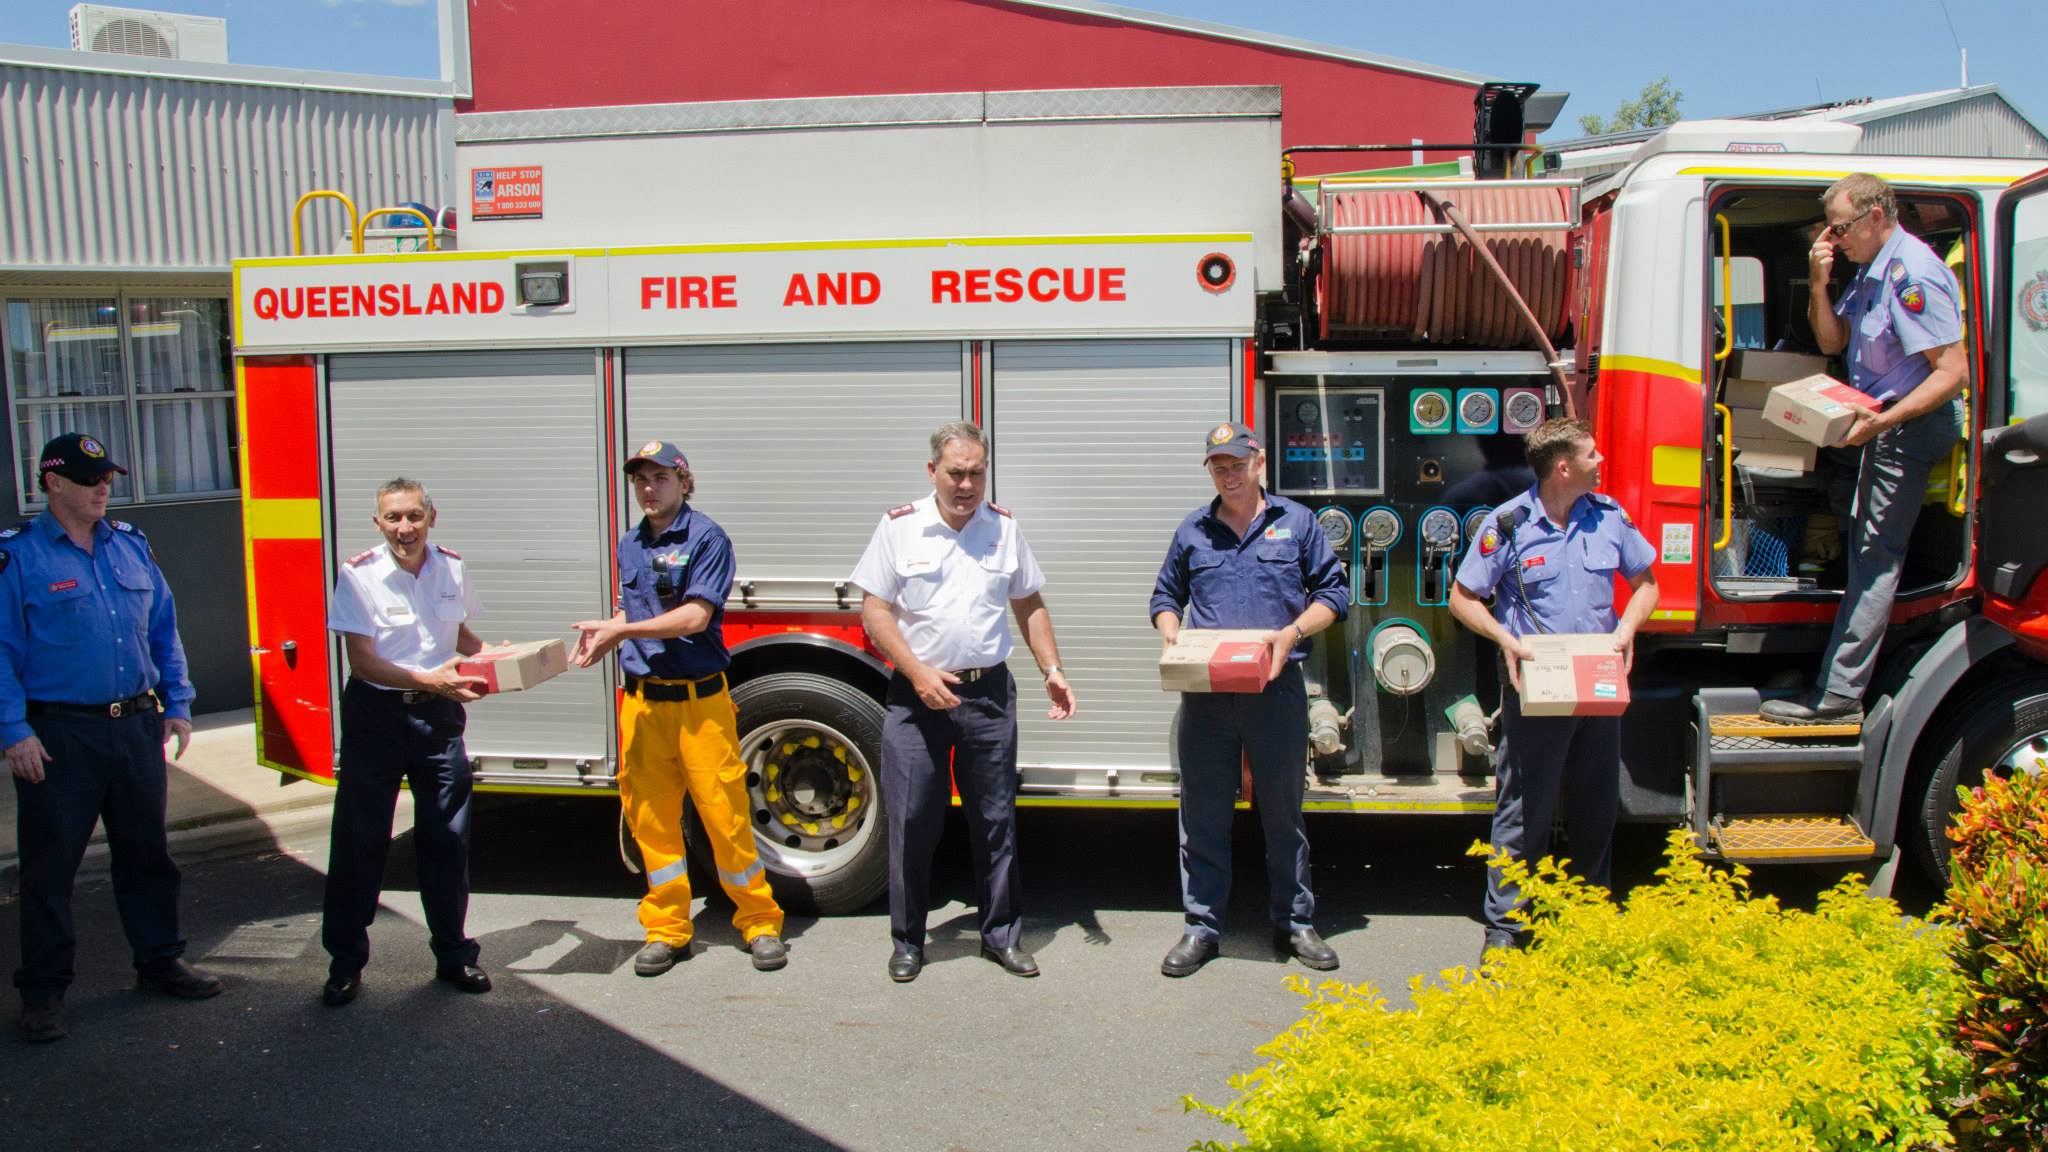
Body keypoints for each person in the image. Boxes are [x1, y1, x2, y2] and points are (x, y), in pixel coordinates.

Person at [849, 421, 1075, 983]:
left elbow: (1029, 602)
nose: (967, 484)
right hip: (917, 695)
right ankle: (908, 941)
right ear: (934, 472)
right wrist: (917, 672)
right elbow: (874, 610)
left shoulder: (1003, 528)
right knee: (912, 819)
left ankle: (1000, 937)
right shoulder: (900, 527)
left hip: (988, 695)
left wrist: (1052, 668)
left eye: (976, 472)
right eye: (956, 472)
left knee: (995, 820)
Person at [1, 433, 209, 1042]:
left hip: (136, 727)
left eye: (108, 479)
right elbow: (3, 653)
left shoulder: (131, 545)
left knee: (147, 855)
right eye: (90, 478)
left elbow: (164, 628)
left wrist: (178, 702)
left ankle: (159, 961)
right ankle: (42, 992)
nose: (102, 489)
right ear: (52, 482)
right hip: (60, 734)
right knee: (50, 868)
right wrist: (14, 732)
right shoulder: (19, 557)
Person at [572, 441, 787, 977]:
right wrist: (610, 633)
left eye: (659, 477)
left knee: (727, 819)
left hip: (701, 705)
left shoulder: (707, 537)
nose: (648, 488)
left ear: (684, 481)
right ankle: (667, 929)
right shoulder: (630, 544)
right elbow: (636, 609)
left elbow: (694, 617)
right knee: (652, 823)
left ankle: (759, 922)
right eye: (640, 479)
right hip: (642, 705)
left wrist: (621, 628)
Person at [1448, 418, 1658, 957]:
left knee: (1595, 805)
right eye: (1592, 454)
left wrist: (1626, 630)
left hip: (1596, 680)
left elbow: (1646, 586)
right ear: (1563, 466)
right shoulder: (1509, 523)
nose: (1600, 461)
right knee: (1523, 809)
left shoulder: (1609, 518)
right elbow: (1464, 597)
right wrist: (1503, 638)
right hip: (1535, 684)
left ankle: (1586, 920)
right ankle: (1506, 928)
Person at [1761, 173, 1966, 725]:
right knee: (1855, 548)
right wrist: (1819, 281)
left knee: (1876, 562)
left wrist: (1882, 424)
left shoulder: (1913, 273)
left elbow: (1952, 374)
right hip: (1872, 428)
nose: (1836, 236)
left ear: (1878, 214)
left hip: (1902, 431)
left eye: (1842, 226)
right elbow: (1832, 342)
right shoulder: (1869, 270)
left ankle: (1838, 695)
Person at [1149, 422, 1349, 978]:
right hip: (1207, 695)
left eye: (1237, 462)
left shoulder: (1297, 523)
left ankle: (1295, 922)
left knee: (1284, 813)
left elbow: (1334, 592)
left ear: (1258, 462)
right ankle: (1201, 927)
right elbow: (1166, 594)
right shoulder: (1193, 530)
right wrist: (1171, 630)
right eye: (1218, 465)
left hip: (1276, 690)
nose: (1228, 473)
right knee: (1204, 814)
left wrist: (1293, 633)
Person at [320, 478, 493, 1007]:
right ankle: (345, 963)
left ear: (431, 517)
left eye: (414, 516)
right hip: (377, 715)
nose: (404, 528)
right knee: (361, 842)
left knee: (446, 839)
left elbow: (459, 633)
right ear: (378, 523)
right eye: (393, 517)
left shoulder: (451, 566)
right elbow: (364, 661)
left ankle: (454, 955)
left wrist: (495, 656)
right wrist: (428, 681)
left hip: (438, 718)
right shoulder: (358, 575)